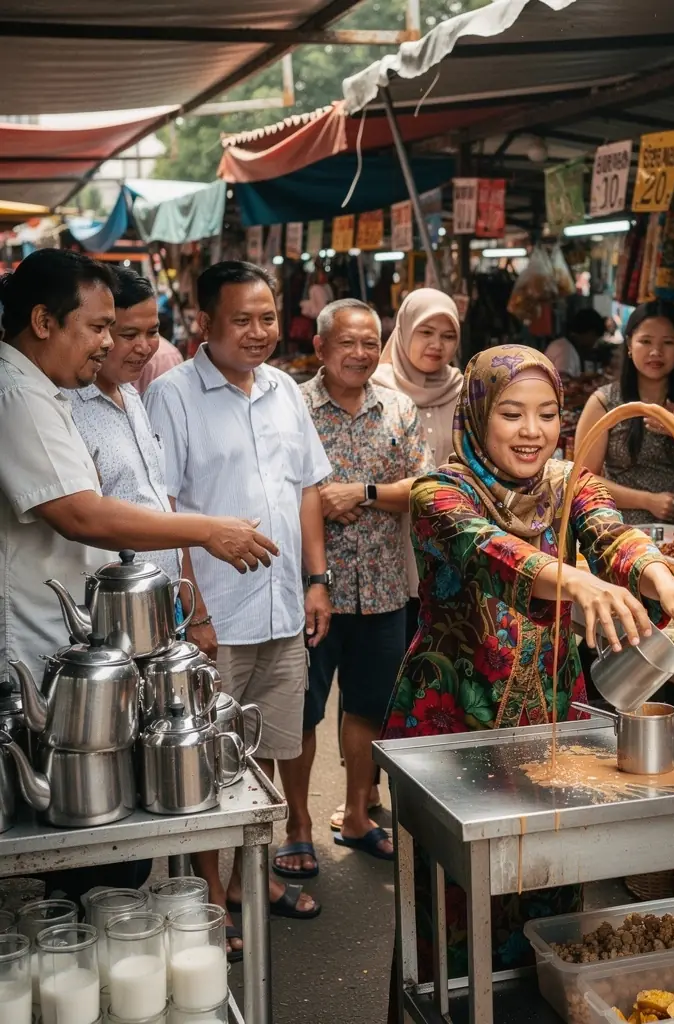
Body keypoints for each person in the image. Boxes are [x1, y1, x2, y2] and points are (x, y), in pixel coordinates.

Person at [384, 344, 674, 998]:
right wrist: (575, 582)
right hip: (453, 730)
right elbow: (487, 552)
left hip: (549, 725)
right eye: (513, 414)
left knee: (549, 896)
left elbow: (610, 533)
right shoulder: (441, 492)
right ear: (480, 415)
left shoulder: (569, 483)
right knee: (452, 912)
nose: (532, 431)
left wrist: (664, 582)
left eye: (547, 415)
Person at [145, 260, 332, 955]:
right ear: (205, 324)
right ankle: (211, 891)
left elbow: (308, 488)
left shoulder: (284, 388)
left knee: (271, 748)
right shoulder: (172, 396)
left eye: (267, 317)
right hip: (215, 617)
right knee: (210, 757)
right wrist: (192, 612)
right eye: (243, 320)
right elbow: (165, 510)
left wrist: (319, 579)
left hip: (285, 609)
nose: (259, 332)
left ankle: (254, 877)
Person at [0, 249, 277, 680]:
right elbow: (81, 513)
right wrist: (208, 530)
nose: (109, 344)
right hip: (33, 651)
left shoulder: (54, 390)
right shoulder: (17, 396)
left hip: (82, 639)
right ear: (42, 322)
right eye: (99, 328)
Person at [299, 298, 432, 864]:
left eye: (370, 343)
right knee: (300, 711)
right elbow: (273, 486)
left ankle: (357, 813)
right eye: (348, 342)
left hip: (381, 589)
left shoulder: (399, 408)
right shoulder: (293, 406)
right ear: (321, 348)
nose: (360, 353)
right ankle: (295, 825)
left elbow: (425, 489)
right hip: (310, 590)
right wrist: (318, 506)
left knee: (368, 709)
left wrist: (364, 493)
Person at [63, 267, 179, 582]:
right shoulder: (64, 407)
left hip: (162, 592)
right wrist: (207, 531)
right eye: (128, 335)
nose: (144, 347)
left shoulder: (131, 393)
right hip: (111, 604)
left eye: (153, 332)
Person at [574, 301, 674, 525]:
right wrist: (647, 501)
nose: (656, 352)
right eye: (645, 341)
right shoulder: (604, 402)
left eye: (668, 342)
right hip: (622, 534)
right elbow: (582, 481)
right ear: (629, 344)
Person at [372, 287, 462, 642]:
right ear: (405, 329)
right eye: (426, 332)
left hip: (447, 546)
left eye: (448, 335)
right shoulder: (375, 389)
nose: (436, 344)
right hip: (387, 547)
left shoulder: (465, 390)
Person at [545, 307, 607, 378]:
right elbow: (563, 381)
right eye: (595, 338)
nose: (594, 344)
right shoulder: (566, 351)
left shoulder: (562, 344)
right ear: (590, 333)